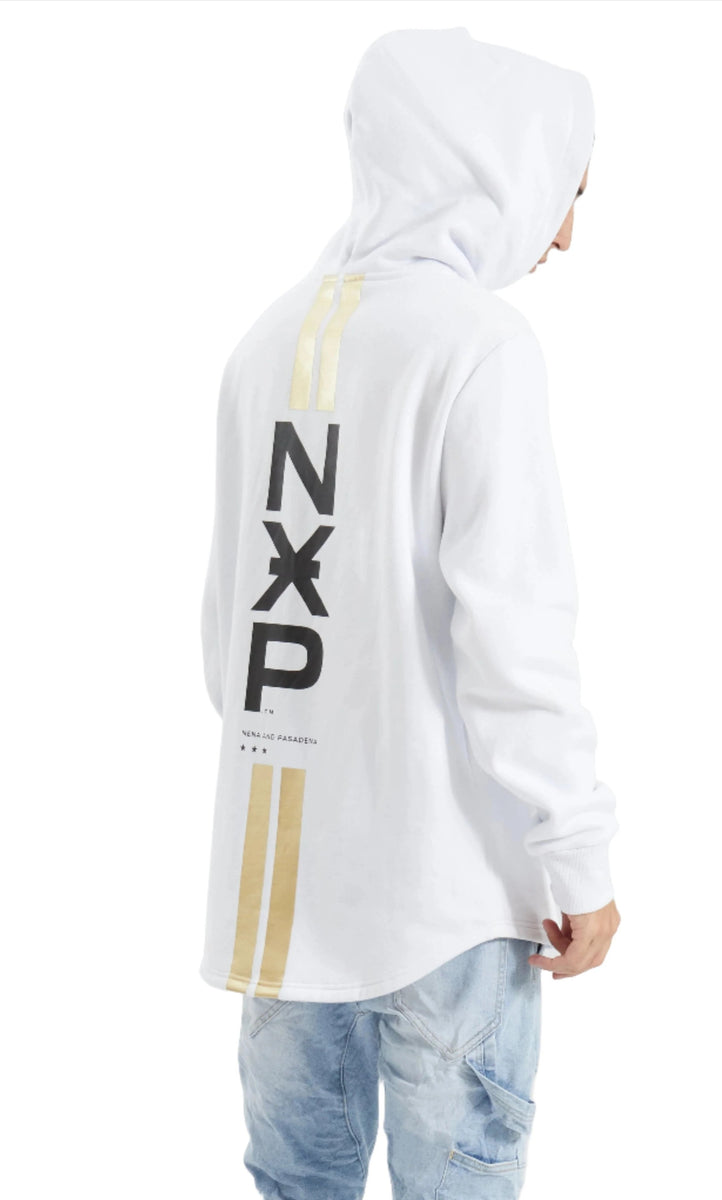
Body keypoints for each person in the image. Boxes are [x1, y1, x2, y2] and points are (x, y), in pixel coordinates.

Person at [199, 25, 621, 1199]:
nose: (563, 233)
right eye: (565, 188)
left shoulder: (266, 342)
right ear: (489, 161)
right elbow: (514, 633)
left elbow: (230, 644)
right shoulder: (476, 347)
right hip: (446, 900)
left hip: (282, 902)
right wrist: (575, 853)